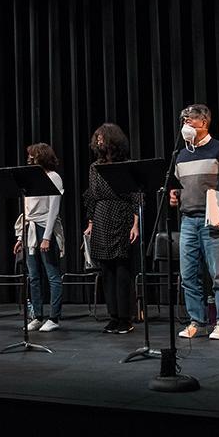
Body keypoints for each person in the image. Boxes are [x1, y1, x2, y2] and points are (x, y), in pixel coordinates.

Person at [170, 103, 219, 341]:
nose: (185, 125)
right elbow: (182, 186)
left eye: (189, 120)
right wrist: (175, 195)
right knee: (188, 274)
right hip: (188, 220)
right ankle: (197, 321)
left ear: (203, 122)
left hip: (214, 219)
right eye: (183, 121)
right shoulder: (180, 155)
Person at [83, 123, 140, 334]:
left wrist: (135, 224)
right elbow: (91, 197)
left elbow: (136, 196)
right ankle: (113, 316)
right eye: (97, 138)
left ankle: (126, 318)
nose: (99, 141)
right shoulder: (94, 167)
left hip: (121, 215)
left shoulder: (125, 165)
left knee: (122, 270)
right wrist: (90, 223)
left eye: (102, 137)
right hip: (101, 216)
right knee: (106, 270)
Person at [13, 143, 65, 332]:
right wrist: (20, 237)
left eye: (33, 155)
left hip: (45, 228)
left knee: (52, 274)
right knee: (33, 276)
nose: (29, 158)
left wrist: (48, 236)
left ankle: (54, 317)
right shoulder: (31, 178)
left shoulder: (53, 177)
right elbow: (26, 210)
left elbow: (53, 209)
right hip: (30, 229)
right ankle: (37, 315)